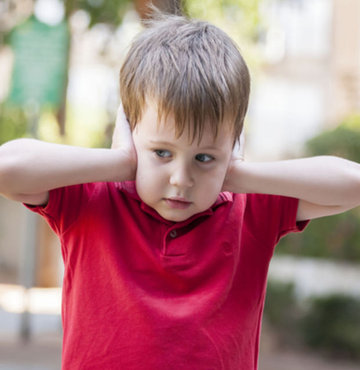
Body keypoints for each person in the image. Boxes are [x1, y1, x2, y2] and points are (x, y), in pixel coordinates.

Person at [0, 7, 359, 370]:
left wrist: (235, 175)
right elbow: (7, 169)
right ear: (129, 132)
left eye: (203, 157)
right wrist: (121, 162)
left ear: (232, 149)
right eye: (161, 152)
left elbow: (352, 185)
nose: (181, 179)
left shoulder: (250, 211)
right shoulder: (91, 199)